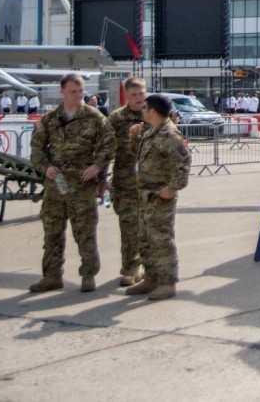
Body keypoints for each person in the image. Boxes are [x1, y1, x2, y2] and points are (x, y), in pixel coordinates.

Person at [28, 73, 115, 293]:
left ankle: (88, 275)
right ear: (62, 92)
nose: (77, 95)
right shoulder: (50, 119)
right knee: (52, 231)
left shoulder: (95, 117)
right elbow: (37, 148)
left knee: (84, 232)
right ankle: (52, 276)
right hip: (56, 184)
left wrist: (97, 165)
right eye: (73, 91)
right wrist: (46, 166)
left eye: (80, 91)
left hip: (82, 185)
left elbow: (109, 145)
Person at [125, 93, 191, 301]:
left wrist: (172, 188)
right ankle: (151, 278)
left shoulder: (169, 135)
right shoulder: (151, 132)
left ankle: (167, 282)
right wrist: (134, 136)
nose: (141, 111)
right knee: (145, 239)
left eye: (144, 108)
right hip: (146, 196)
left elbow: (184, 164)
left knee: (161, 240)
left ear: (153, 111)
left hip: (160, 197)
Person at [107, 77, 148, 287]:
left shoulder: (155, 114)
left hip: (152, 183)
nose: (139, 98)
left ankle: (150, 267)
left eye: (141, 93)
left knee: (152, 227)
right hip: (126, 182)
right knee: (129, 225)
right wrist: (100, 179)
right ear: (127, 95)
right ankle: (131, 267)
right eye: (134, 95)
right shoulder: (117, 118)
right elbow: (105, 148)